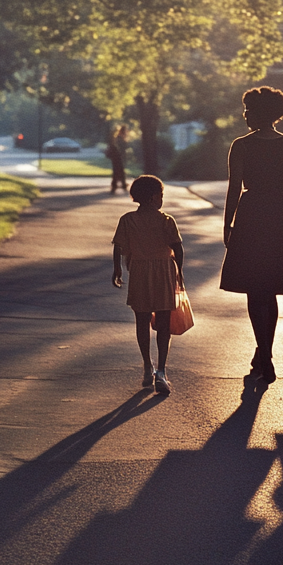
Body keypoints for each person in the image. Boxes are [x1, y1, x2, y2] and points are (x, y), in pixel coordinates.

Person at [220, 86, 283, 384]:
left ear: (259, 112)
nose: (245, 114)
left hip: (252, 215)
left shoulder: (241, 146)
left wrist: (228, 223)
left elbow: (234, 187)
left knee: (255, 288)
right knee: (271, 289)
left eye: (248, 110)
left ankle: (263, 353)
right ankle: (265, 353)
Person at [112, 175, 184, 394]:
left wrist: (117, 269)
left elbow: (118, 247)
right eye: (161, 195)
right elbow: (178, 248)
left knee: (141, 320)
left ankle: (147, 365)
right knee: (164, 323)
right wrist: (179, 273)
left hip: (139, 273)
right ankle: (161, 371)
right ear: (154, 198)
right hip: (164, 272)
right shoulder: (166, 221)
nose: (162, 199)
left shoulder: (127, 220)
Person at [107, 125, 129, 194]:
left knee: (118, 171)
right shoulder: (119, 138)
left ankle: (119, 185)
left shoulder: (118, 138)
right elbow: (121, 149)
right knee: (118, 171)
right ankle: (118, 185)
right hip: (117, 158)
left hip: (117, 158)